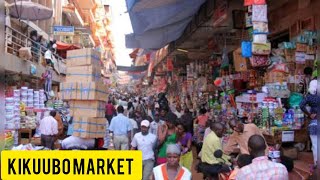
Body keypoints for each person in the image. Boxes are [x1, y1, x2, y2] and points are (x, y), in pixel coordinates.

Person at [300, 79, 319, 168]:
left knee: (315, 145)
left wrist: (309, 114)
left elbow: (301, 105)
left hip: (314, 123)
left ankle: (316, 163)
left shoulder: (309, 97)